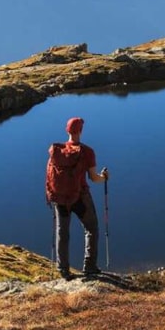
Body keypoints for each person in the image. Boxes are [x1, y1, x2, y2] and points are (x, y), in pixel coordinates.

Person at [46, 117, 108, 280]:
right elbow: (94, 178)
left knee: (62, 232)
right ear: (81, 131)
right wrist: (104, 177)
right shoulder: (87, 152)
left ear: (67, 130)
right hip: (80, 197)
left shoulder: (56, 151)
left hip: (60, 198)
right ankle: (89, 267)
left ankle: (63, 269)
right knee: (91, 228)